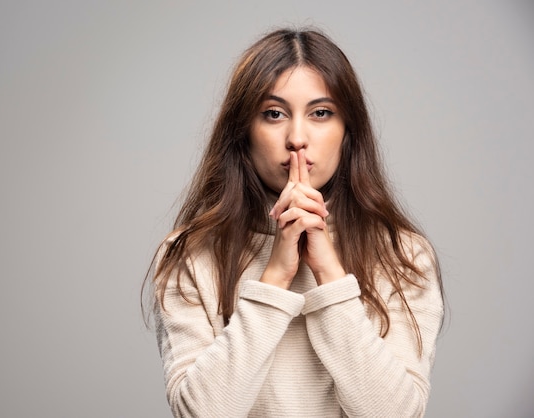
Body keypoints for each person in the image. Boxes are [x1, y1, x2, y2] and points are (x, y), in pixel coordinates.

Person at [146, 27, 444, 417]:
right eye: (274, 114)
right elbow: (202, 412)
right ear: (243, 133)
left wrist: (330, 273)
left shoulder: (402, 255)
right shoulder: (190, 253)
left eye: (321, 113)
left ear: (348, 132)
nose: (297, 138)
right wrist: (275, 278)